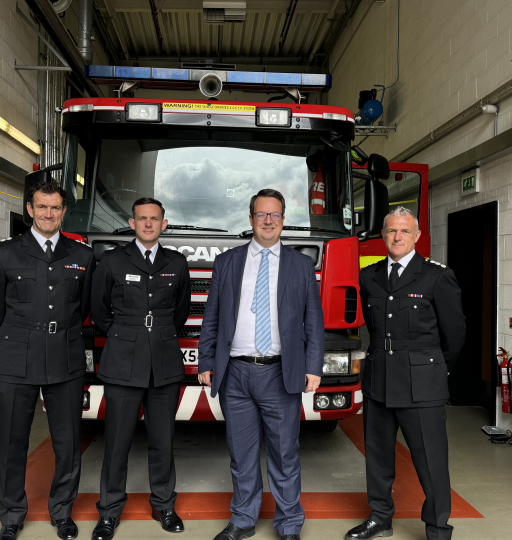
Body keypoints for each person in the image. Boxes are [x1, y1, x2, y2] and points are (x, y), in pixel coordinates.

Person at [197, 188, 324, 540]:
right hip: (235, 373)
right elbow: (212, 317)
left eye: (275, 215)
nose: (268, 221)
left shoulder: (300, 264)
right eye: (261, 214)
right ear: (251, 218)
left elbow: (313, 320)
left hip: (280, 373)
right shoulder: (228, 262)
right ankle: (242, 520)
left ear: (283, 220)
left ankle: (288, 525)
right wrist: (206, 360)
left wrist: (313, 366)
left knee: (285, 454)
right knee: (242, 455)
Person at [0, 181, 96, 540]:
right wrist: (24, 334)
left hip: (65, 355)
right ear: (30, 209)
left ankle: (62, 511)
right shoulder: (4, 254)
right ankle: (11, 517)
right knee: (13, 441)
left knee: (67, 441)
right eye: (42, 207)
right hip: (16, 357)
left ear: (64, 212)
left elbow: (85, 307)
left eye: (56, 208)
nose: (48, 214)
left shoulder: (82, 256)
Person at [344, 206, 465, 540]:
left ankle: (438, 527)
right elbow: (372, 327)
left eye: (404, 231)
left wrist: (437, 371)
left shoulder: (437, 276)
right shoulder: (369, 276)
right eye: (391, 231)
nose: (397, 237)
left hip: (422, 384)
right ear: (383, 235)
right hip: (379, 379)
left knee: (431, 460)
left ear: (417, 236)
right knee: (378, 457)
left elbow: (454, 335)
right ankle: (380, 517)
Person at [90, 197, 191, 540]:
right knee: (117, 442)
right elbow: (99, 310)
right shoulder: (113, 260)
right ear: (131, 223)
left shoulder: (176, 263)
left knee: (162, 441)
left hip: (163, 362)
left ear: (164, 224)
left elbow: (180, 312)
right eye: (141, 219)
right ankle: (109, 512)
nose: (148, 224)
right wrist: (125, 336)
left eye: (154, 219)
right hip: (122, 362)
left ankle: (164, 505)